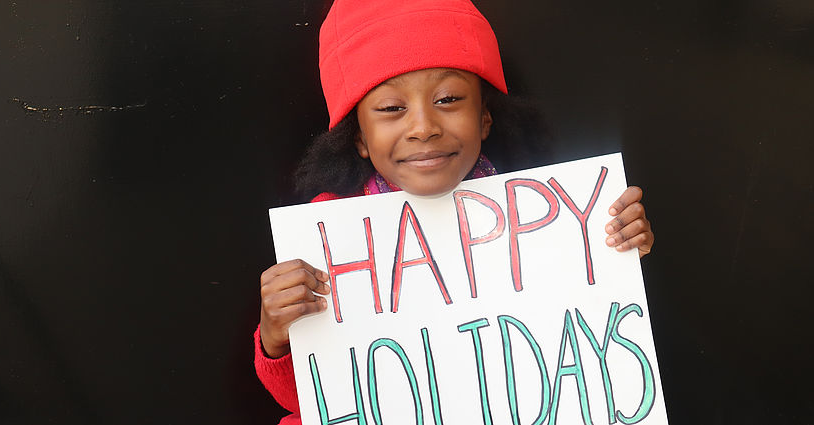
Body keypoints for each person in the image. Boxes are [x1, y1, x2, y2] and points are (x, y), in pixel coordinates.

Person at [254, 0, 654, 423]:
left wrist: (617, 246)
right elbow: (308, 402)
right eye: (392, 108)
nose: (424, 126)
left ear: (484, 118)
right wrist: (276, 338)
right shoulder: (329, 235)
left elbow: (593, 353)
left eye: (447, 99)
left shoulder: (548, 213)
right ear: (359, 138)